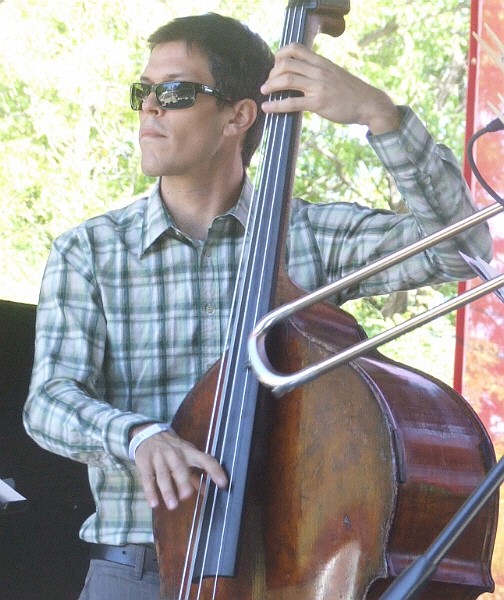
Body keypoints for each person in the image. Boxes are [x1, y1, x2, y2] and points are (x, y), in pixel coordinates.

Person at [23, 11, 492, 600]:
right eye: (144, 92)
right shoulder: (89, 250)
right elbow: (47, 401)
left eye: (174, 93)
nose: (149, 109)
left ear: (239, 116)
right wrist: (140, 436)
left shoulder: (308, 234)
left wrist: (382, 117)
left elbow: (465, 250)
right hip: (135, 570)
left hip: (289, 567)